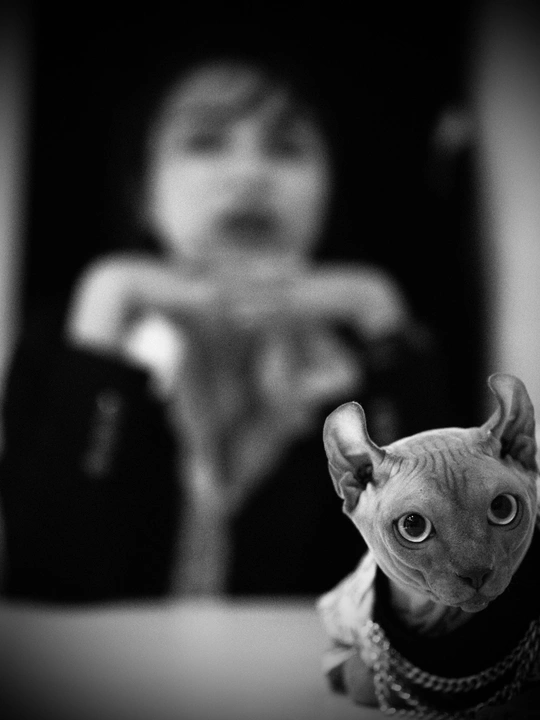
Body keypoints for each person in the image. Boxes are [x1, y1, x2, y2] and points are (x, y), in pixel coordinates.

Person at [0, 40, 456, 603]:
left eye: (286, 148)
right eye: (205, 142)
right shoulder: (71, 345)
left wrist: (378, 313)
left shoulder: (369, 362)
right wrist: (106, 298)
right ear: (143, 194)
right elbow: (45, 577)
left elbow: (433, 580)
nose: (249, 175)